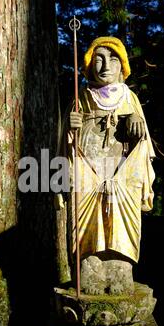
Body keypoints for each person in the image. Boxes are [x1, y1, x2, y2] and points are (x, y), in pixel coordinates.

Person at [56, 36, 155, 296]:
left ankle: (120, 264)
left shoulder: (129, 98)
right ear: (89, 65)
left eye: (112, 59)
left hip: (121, 171)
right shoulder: (82, 97)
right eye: (98, 58)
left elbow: (143, 144)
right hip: (88, 170)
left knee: (121, 218)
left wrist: (136, 120)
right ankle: (89, 264)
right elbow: (66, 144)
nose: (105, 65)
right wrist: (72, 126)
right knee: (86, 217)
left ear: (122, 66)